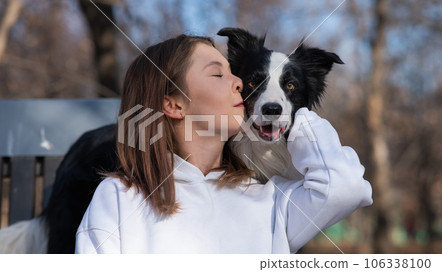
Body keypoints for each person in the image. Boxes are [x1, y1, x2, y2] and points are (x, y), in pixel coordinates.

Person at [75, 34, 373, 254]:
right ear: (174, 105)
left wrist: (291, 113)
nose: (239, 84)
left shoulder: (273, 201)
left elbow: (345, 186)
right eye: (219, 74)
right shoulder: (119, 198)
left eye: (234, 74)